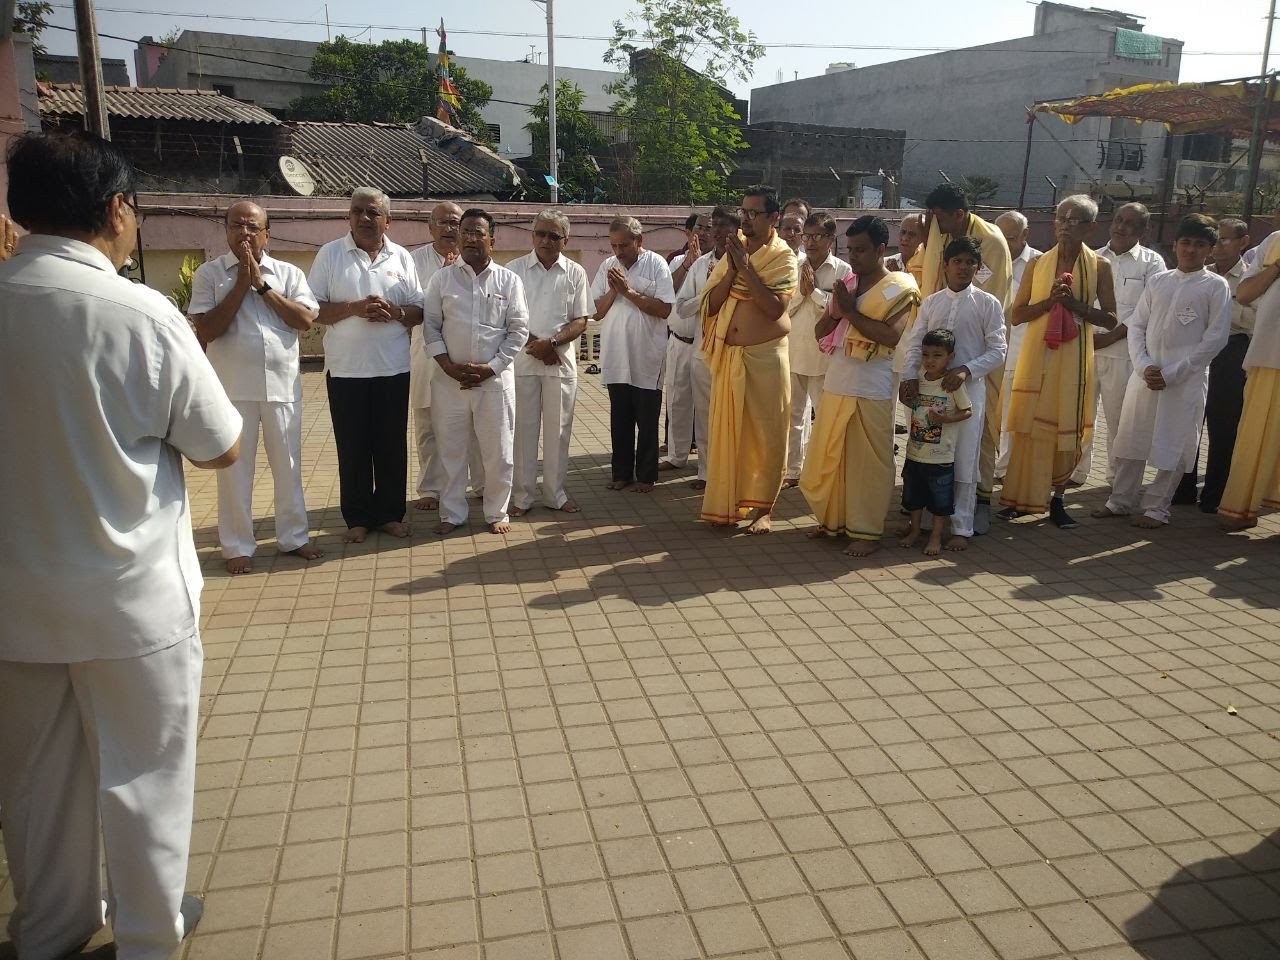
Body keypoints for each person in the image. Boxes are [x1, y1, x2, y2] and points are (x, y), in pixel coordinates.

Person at [0, 132, 242, 960]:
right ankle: (145, 934)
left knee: (34, 782)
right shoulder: (137, 312)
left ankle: (50, 931)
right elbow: (220, 445)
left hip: (15, 602)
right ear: (115, 210)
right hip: (127, 601)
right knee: (145, 774)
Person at [189, 200, 322, 576]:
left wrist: (261, 286)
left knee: (288, 466)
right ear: (226, 230)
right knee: (235, 469)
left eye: (252, 227)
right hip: (232, 389)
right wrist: (240, 284)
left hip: (281, 386)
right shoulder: (209, 274)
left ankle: (293, 537)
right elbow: (206, 329)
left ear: (267, 233)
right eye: (236, 226)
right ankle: (237, 545)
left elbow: (305, 320)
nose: (244, 233)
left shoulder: (288, 273)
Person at [1091, 215, 1231, 528]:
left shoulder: (1215, 286)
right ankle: (1119, 501)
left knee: (1175, 442)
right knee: (1131, 438)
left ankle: (1157, 508)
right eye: (1185, 243)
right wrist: (1144, 365)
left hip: (1185, 381)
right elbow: (1137, 326)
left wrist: (1176, 372)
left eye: (1199, 244)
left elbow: (1216, 338)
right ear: (1175, 245)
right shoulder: (1159, 281)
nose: (1190, 250)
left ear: (1209, 249)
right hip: (1146, 375)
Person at [799, 215, 919, 556]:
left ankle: (867, 532)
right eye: (850, 249)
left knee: (869, 463)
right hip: (837, 382)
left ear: (881, 249)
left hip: (872, 387)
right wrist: (838, 311)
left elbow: (890, 336)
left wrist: (850, 311)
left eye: (861, 250)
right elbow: (819, 332)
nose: (853, 256)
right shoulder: (847, 284)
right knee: (831, 458)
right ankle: (833, 520)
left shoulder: (900, 287)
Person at [309, 187, 423, 543]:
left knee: (391, 446)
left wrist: (397, 312)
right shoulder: (330, 255)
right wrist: (353, 308)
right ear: (349, 216)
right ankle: (357, 518)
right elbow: (312, 309)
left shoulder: (402, 257)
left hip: (393, 368)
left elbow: (419, 310)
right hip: (346, 371)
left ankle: (389, 514)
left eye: (373, 212)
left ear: (388, 220)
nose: (364, 218)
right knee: (352, 447)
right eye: (357, 211)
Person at [999, 195, 1118, 526]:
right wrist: (1049, 303)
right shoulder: (1038, 264)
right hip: (1036, 356)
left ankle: (1058, 498)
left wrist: (1076, 306)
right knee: (1028, 425)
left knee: (1066, 426)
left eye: (1074, 220)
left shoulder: (1100, 266)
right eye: (1061, 219)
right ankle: (1021, 497)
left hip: (1074, 358)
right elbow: (1018, 314)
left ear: (1091, 228)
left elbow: (1111, 319)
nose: (1065, 226)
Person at [699, 184, 798, 533]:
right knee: (729, 434)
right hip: (731, 357)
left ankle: (764, 510)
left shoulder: (783, 256)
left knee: (767, 436)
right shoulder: (734, 249)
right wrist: (731, 270)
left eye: (754, 213)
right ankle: (728, 502)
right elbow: (711, 305)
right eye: (744, 212)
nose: (746, 219)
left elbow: (774, 309)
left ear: (774, 217)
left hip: (766, 358)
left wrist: (745, 267)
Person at [424, 209, 529, 535]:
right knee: (451, 451)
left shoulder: (509, 281)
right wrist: (447, 365)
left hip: (494, 383)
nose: (469, 238)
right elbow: (431, 326)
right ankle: (451, 513)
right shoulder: (441, 280)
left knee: (498, 452)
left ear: (492, 240)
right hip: (449, 382)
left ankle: (497, 512)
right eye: (465, 231)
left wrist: (491, 368)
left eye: (477, 233)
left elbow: (518, 330)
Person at [899, 236, 1006, 549]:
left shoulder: (988, 303)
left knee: (964, 458)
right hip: (929, 393)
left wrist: (965, 370)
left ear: (978, 267)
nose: (963, 267)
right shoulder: (932, 302)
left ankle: (961, 526)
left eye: (970, 262)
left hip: (967, 392)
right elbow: (916, 343)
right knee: (926, 454)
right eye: (957, 261)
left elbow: (998, 349)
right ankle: (924, 523)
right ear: (945, 265)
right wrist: (909, 378)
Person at [918, 183, 1012, 533]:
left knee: (977, 434)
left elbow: (985, 306)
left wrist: (964, 366)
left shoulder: (991, 242)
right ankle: (933, 506)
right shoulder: (943, 236)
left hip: (976, 358)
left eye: (939, 218)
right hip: (937, 358)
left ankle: (977, 504)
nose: (935, 225)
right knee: (936, 433)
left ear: (958, 214)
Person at [1072, 202, 1166, 486]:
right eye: (1118, 220)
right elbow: (1079, 301)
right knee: (1080, 416)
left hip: (1124, 353)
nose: (1121, 227)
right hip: (1087, 348)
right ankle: (1076, 471)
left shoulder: (1152, 263)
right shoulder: (1092, 258)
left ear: (1144, 230)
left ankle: (1116, 478)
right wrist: (1086, 337)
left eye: (1130, 223)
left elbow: (1148, 309)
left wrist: (1111, 337)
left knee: (1119, 420)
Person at [507, 210, 592, 515]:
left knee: (558, 432)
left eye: (553, 236)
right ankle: (522, 498)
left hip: (560, 363)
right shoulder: (514, 270)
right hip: (523, 361)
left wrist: (552, 343)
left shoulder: (575, 272)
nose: (545, 240)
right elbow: (508, 317)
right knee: (523, 433)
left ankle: (555, 495)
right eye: (540, 234)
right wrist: (538, 345)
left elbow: (581, 319)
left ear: (564, 240)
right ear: (532, 236)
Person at [409, 201, 483, 511]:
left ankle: (481, 484)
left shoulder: (475, 260)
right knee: (428, 424)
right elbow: (412, 306)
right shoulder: (412, 261)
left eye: (455, 223)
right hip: (426, 354)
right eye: (443, 222)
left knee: (474, 422)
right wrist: (441, 279)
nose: (450, 229)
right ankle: (430, 487)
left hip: (467, 353)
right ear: (430, 227)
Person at [593, 216, 676, 492]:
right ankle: (622, 474)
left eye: (624, 245)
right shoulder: (608, 266)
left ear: (639, 241)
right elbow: (596, 311)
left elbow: (664, 309)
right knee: (620, 419)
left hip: (647, 357)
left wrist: (628, 291)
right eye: (614, 245)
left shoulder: (657, 264)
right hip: (616, 356)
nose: (618, 251)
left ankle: (646, 476)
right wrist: (614, 291)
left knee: (647, 420)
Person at [1176, 218, 1253, 512]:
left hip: (1231, 352)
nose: (1217, 246)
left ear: (1243, 242)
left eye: (1225, 239)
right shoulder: (1200, 274)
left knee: (1223, 426)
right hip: (1194, 351)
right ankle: (1182, 487)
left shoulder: (1251, 278)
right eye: (1215, 239)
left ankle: (1215, 493)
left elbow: (1254, 320)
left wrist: (1220, 311)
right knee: (1188, 420)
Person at [673, 206, 741, 491]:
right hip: (704, 351)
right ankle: (706, 472)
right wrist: (709, 295)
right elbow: (681, 306)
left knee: (735, 417)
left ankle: (735, 474)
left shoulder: (748, 263)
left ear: (737, 231)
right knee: (704, 414)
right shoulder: (701, 265)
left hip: (737, 352)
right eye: (715, 226)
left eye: (726, 227)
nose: (718, 232)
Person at [784, 212, 852, 487]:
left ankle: (823, 470)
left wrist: (813, 292)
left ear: (831, 238)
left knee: (824, 416)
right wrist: (802, 293)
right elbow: (784, 308)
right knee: (793, 416)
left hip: (825, 357)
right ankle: (793, 471)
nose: (810, 242)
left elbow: (841, 310)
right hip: (794, 351)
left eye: (817, 236)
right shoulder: (794, 265)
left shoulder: (842, 270)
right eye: (807, 236)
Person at [1219, 228, 1280, 530]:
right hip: (1268, 354)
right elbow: (1244, 294)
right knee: (1255, 435)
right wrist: (1277, 267)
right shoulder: (1274, 242)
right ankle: (1242, 507)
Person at [899, 329, 973, 555]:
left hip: (941, 457)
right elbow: (910, 402)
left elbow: (967, 411)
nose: (930, 360)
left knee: (940, 502)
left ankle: (935, 537)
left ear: (950, 357)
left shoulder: (952, 384)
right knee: (913, 497)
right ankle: (914, 530)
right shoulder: (918, 380)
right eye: (925, 354)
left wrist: (946, 420)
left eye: (937, 355)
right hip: (914, 453)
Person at [993, 210, 1041, 479]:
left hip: (1020, 351)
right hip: (989, 350)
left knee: (1012, 412)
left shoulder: (1040, 264)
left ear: (1025, 235)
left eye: (1010, 238)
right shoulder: (987, 259)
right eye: (999, 237)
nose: (1004, 244)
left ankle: (1005, 468)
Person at [661, 214, 706, 476]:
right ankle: (676, 456)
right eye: (699, 227)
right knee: (677, 401)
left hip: (704, 344)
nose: (704, 232)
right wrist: (689, 264)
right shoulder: (677, 261)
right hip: (677, 340)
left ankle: (706, 468)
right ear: (689, 232)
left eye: (710, 228)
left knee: (704, 408)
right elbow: (668, 293)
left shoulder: (721, 264)